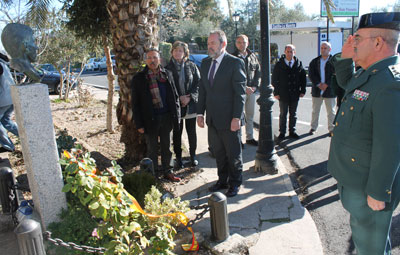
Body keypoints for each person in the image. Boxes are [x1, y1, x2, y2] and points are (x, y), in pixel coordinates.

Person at [328, 12, 400, 254]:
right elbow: (346, 81)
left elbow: (390, 145)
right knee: (370, 243)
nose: (353, 42)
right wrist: (345, 56)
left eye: (358, 38)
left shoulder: (390, 83)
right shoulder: (371, 73)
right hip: (356, 180)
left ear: (378, 42)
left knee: (371, 249)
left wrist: (378, 192)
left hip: (370, 189)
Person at [197, 30, 246, 197]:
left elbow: (240, 93)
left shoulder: (234, 63)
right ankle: (222, 180)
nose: (209, 46)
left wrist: (236, 117)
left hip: (230, 119)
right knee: (218, 153)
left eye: (213, 43)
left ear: (223, 44)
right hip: (212, 119)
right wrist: (200, 113)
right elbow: (203, 90)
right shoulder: (204, 63)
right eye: (209, 43)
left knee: (233, 154)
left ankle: (235, 183)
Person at [131, 49, 181, 182]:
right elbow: (135, 104)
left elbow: (175, 97)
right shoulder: (139, 78)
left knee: (166, 147)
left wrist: (177, 116)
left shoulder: (167, 74)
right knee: (152, 149)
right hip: (149, 119)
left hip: (166, 117)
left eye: (154, 57)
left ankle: (168, 171)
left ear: (159, 59)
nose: (152, 60)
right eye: (149, 58)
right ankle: (151, 175)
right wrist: (139, 124)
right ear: (145, 61)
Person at [165, 41, 200, 168]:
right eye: (175, 50)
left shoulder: (192, 66)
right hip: (176, 106)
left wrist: (189, 97)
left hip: (190, 105)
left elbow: (198, 84)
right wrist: (178, 99)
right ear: (172, 52)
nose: (177, 53)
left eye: (180, 50)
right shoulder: (167, 69)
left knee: (191, 132)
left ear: (185, 53)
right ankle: (178, 158)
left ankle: (193, 156)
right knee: (177, 133)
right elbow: (167, 88)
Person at [272, 44, 306, 140]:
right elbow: (274, 80)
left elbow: (303, 79)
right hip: (283, 94)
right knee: (283, 114)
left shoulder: (299, 64)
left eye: (291, 51)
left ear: (294, 52)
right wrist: (276, 93)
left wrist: (302, 90)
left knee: (293, 114)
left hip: (295, 93)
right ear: (284, 52)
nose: (289, 53)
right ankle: (282, 132)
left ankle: (292, 131)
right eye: (288, 51)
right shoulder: (279, 65)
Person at [232, 34, 261, 146]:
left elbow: (258, 72)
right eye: (239, 42)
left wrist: (254, 87)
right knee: (238, 115)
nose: (241, 44)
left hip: (251, 92)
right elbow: (232, 76)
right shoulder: (232, 57)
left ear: (247, 43)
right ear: (236, 44)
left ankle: (249, 137)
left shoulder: (253, 56)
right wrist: (244, 87)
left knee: (250, 115)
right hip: (238, 92)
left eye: (244, 42)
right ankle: (238, 139)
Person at [308, 41, 336, 136]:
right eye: (322, 48)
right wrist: (318, 83)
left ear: (329, 50)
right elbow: (311, 74)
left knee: (331, 112)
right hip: (317, 90)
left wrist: (327, 84)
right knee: (315, 110)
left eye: (325, 48)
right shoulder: (315, 61)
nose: (323, 50)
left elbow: (334, 75)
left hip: (330, 91)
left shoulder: (334, 61)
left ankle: (332, 129)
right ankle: (313, 128)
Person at [0, 52, 19, 153]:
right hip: (12, 97)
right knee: (6, 121)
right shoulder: (3, 64)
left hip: (3, 100)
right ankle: (27, 138)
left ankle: (8, 146)